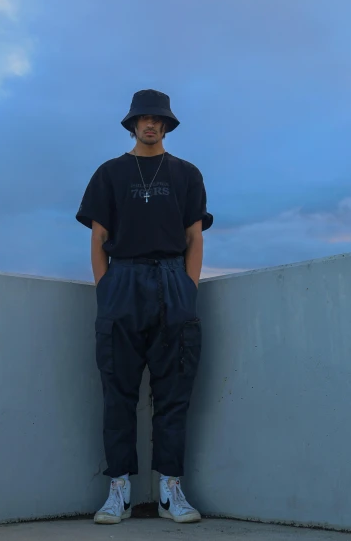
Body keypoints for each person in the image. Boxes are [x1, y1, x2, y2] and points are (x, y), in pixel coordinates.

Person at [76, 89, 214, 525]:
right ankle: (118, 489)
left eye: (158, 119)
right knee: (117, 391)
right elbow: (98, 239)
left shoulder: (187, 173)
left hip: (173, 279)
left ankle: (171, 490)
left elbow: (194, 238)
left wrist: (187, 290)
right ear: (132, 124)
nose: (150, 124)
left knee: (174, 391)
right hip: (124, 279)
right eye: (143, 118)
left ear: (167, 125)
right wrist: (107, 290)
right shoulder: (110, 173)